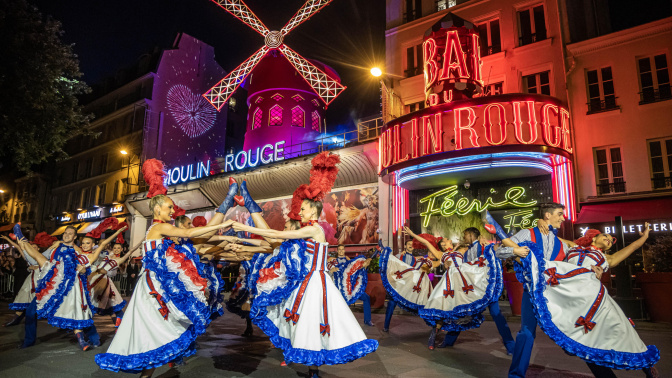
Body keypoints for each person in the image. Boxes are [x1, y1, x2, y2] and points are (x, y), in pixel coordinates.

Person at [233, 152, 378, 378]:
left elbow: (274, 235)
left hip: (315, 283)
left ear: (313, 210)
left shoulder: (314, 229)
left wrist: (247, 229)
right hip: (307, 282)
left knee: (311, 321)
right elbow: (278, 241)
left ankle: (313, 371)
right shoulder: (309, 229)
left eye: (303, 209)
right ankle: (312, 370)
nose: (299, 211)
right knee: (304, 322)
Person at [95, 159, 235, 377]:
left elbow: (201, 236)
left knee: (157, 329)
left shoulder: (163, 230)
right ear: (158, 208)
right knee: (156, 327)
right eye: (169, 207)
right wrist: (223, 224)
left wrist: (225, 207)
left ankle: (148, 373)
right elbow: (190, 233)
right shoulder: (159, 227)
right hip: (153, 287)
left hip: (156, 285)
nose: (172, 211)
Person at [520, 224, 659, 377]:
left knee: (622, 333)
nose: (609, 240)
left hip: (594, 300)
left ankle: (647, 369)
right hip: (573, 298)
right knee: (587, 343)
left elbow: (632, 247)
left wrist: (644, 236)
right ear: (593, 237)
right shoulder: (572, 246)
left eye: (611, 241)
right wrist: (541, 221)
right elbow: (547, 236)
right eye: (605, 236)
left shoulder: (608, 258)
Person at [15, 222, 123, 350]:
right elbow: (35, 259)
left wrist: (84, 270)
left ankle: (94, 338)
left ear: (75, 237)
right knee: (31, 311)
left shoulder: (78, 251)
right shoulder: (54, 249)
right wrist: (25, 251)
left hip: (70, 287)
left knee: (79, 312)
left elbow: (89, 262)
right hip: (52, 285)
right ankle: (29, 340)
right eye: (65, 233)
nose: (66, 235)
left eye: (70, 234)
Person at [497, 203, 576, 377]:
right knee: (526, 332)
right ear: (547, 215)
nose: (563, 218)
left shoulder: (560, 243)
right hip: (532, 293)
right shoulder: (528, 233)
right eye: (560, 214)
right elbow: (499, 251)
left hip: (556, 295)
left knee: (576, 330)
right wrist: (514, 250)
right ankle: (516, 375)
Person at [439, 227, 514, 353]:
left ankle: (510, 345)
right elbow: (459, 265)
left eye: (465, 235)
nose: (464, 238)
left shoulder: (485, 247)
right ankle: (449, 340)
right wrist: (447, 264)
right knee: (463, 312)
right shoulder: (466, 251)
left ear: (470, 235)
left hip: (486, 287)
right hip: (473, 289)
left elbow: (495, 254)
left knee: (496, 315)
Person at [86, 238, 141, 327]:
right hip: (94, 277)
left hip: (104, 281)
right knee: (92, 301)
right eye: (115, 248)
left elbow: (113, 273)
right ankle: (86, 326)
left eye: (118, 248)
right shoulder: (108, 254)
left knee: (113, 303)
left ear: (122, 249)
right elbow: (99, 249)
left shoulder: (120, 259)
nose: (116, 250)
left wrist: (141, 241)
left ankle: (122, 325)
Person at [330, 244, 375, 326]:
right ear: (337, 251)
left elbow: (355, 269)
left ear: (344, 250)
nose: (341, 251)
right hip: (339, 289)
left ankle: (367, 320)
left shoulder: (348, 260)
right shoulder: (333, 260)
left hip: (352, 287)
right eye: (339, 249)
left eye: (342, 249)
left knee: (366, 298)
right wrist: (333, 270)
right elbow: (330, 271)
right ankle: (338, 323)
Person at [382, 238, 418, 332]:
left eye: (412, 244)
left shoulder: (415, 260)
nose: (411, 245)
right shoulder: (399, 256)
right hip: (397, 285)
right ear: (405, 246)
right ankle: (386, 326)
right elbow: (391, 263)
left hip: (407, 286)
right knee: (391, 304)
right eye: (409, 244)